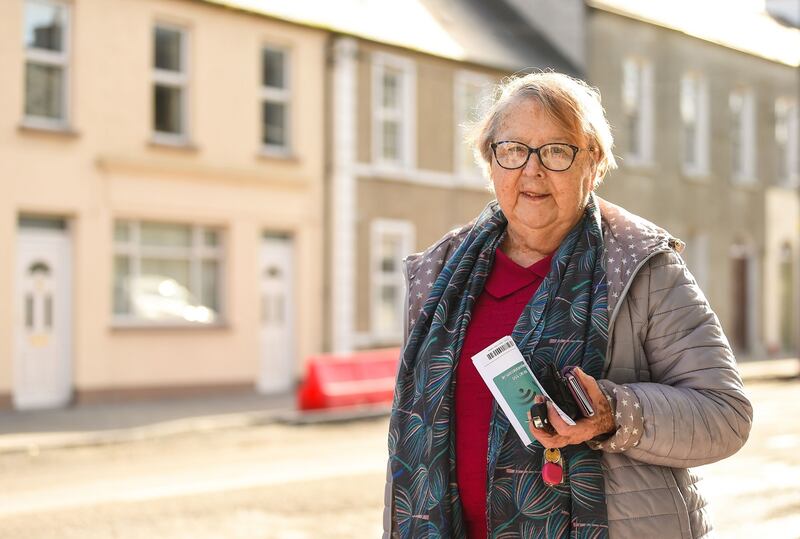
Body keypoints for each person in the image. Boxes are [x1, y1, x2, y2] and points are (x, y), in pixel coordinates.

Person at [383, 72, 752, 538]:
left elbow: (725, 416)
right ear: (490, 161)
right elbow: (409, 457)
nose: (532, 171)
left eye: (557, 151)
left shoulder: (642, 268)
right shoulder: (440, 275)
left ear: (594, 163)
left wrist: (615, 415)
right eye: (513, 150)